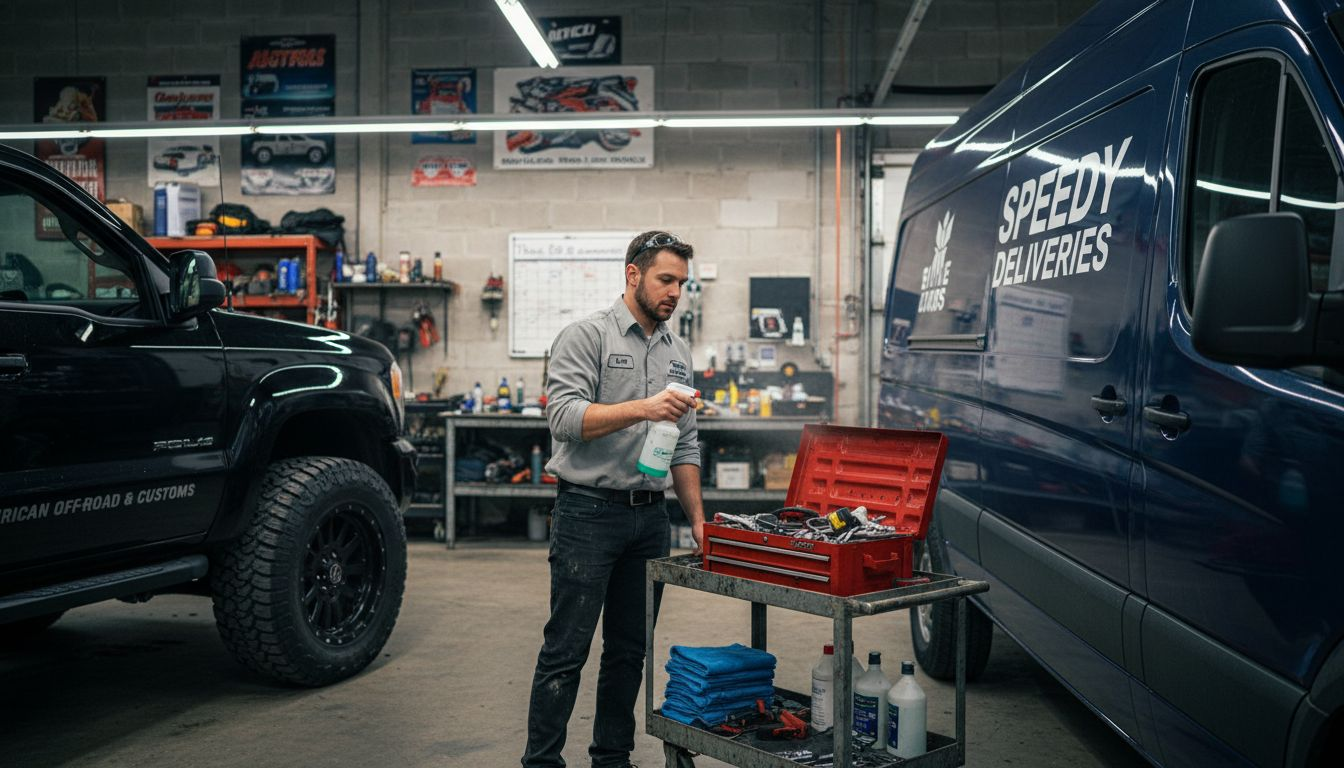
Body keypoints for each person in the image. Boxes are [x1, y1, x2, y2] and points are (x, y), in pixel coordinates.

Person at [522, 231, 705, 768]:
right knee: (566, 649)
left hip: (650, 519)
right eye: (665, 279)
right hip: (588, 513)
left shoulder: (678, 353)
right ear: (633, 274)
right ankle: (541, 762)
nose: (674, 293)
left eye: (682, 283)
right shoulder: (586, 336)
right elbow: (564, 418)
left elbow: (685, 444)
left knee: (629, 650)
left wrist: (698, 519)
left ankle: (612, 757)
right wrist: (644, 407)